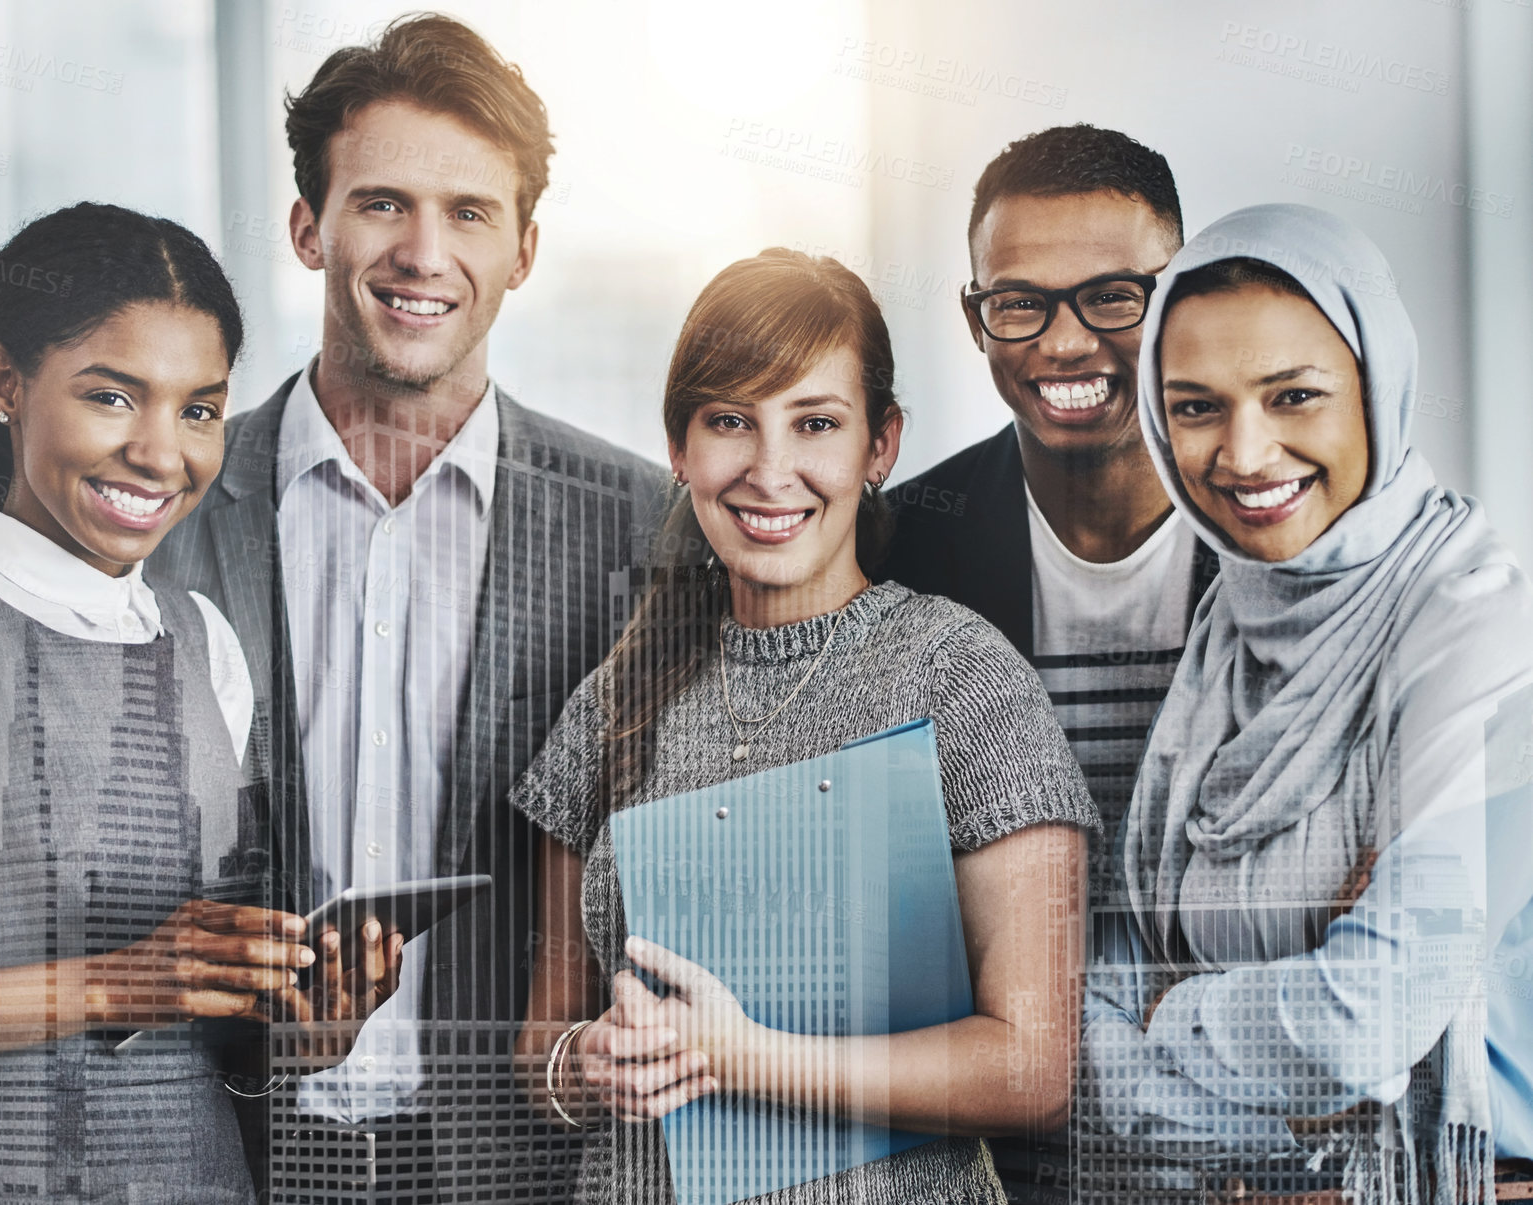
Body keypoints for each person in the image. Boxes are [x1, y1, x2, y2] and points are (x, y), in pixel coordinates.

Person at [149, 13, 666, 1202]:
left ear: (524, 249)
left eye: (469, 213)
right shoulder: (165, 508)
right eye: (381, 202)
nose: (422, 252)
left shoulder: (638, 527)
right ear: (307, 226)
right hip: (231, 1154)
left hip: (524, 1162)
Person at [512, 249, 1101, 1204]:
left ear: (881, 446)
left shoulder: (960, 676)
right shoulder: (614, 700)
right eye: (731, 422)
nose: (770, 471)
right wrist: (588, 1066)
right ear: (680, 448)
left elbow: (1032, 1067)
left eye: (816, 423)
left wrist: (745, 1059)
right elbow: (544, 1041)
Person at [1082, 203, 1533, 1203]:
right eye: (1195, 406)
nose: (1243, 454)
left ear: (1377, 389)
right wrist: (1292, 1053)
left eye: (1292, 395)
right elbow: (1097, 1048)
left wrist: (1175, 1015)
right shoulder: (1222, 627)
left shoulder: (1477, 628)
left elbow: (1369, 1017)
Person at [0, 202, 313, 1204]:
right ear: (5, 384)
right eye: (114, 398)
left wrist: (314, 1006)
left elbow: (209, 1005)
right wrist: (108, 985)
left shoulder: (202, 640)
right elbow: (135, 980)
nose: (164, 455)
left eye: (198, 409)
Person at [880, 122, 1219, 1203]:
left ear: (1181, 295)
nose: (1063, 343)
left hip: (1243, 1147)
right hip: (984, 1160)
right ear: (975, 316)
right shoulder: (896, 550)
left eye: (1113, 295)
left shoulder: (1290, 542)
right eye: (1018, 302)